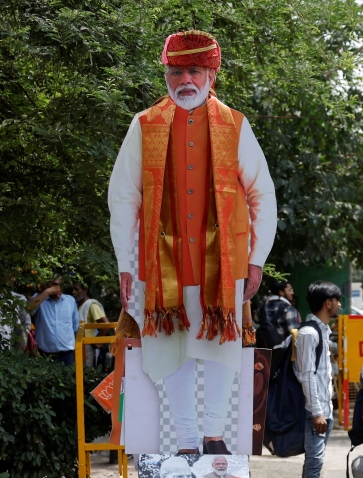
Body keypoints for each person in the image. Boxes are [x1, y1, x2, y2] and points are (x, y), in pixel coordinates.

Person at [108, 30, 277, 455]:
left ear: (211, 74)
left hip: (221, 265)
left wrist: (256, 259)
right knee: (172, 350)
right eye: (176, 70)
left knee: (220, 349)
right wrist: (125, 265)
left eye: (194, 71)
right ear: (166, 74)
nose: (185, 79)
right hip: (160, 264)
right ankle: (187, 440)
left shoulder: (235, 125)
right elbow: (123, 196)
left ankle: (214, 435)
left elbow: (262, 194)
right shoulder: (144, 125)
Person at [295, 281, 341, 478]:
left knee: (312, 462)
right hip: (316, 410)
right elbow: (307, 376)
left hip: (324, 407)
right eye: (337, 300)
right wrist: (316, 412)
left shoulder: (322, 331)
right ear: (328, 303)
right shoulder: (309, 334)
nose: (339, 305)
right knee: (314, 464)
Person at [27, 276, 79, 366]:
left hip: (67, 355)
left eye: (60, 285)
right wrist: (47, 292)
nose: (58, 288)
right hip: (44, 355)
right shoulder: (39, 299)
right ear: (47, 285)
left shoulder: (70, 300)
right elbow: (28, 308)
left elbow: (75, 328)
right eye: (55, 285)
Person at [73, 281, 109, 367]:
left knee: (86, 374)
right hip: (77, 345)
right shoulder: (76, 306)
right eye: (72, 290)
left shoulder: (91, 305)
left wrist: (96, 341)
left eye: (76, 289)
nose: (73, 292)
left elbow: (106, 324)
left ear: (85, 290)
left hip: (86, 346)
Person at [256, 280, 301, 349]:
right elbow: (294, 333)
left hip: (263, 351)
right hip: (280, 352)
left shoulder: (263, 306)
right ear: (281, 292)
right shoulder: (288, 308)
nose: (292, 293)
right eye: (290, 290)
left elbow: (256, 319)